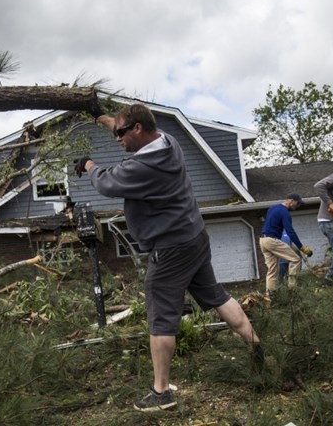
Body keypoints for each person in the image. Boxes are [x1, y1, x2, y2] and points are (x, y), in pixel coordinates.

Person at [75, 103, 261, 412]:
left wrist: (89, 164)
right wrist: (100, 117)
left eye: (121, 133)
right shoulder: (167, 139)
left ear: (137, 130)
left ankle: (161, 393)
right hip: (194, 236)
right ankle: (256, 345)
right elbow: (121, 127)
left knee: (160, 315)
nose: (117, 138)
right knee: (215, 294)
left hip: (171, 247)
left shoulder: (145, 166)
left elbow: (107, 183)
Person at [259, 194, 312, 295]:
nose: (298, 206)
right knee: (295, 259)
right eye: (298, 203)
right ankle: (292, 289)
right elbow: (290, 231)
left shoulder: (272, 208)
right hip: (271, 240)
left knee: (272, 270)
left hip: (262, 241)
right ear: (291, 200)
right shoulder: (284, 212)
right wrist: (302, 248)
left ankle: (270, 296)